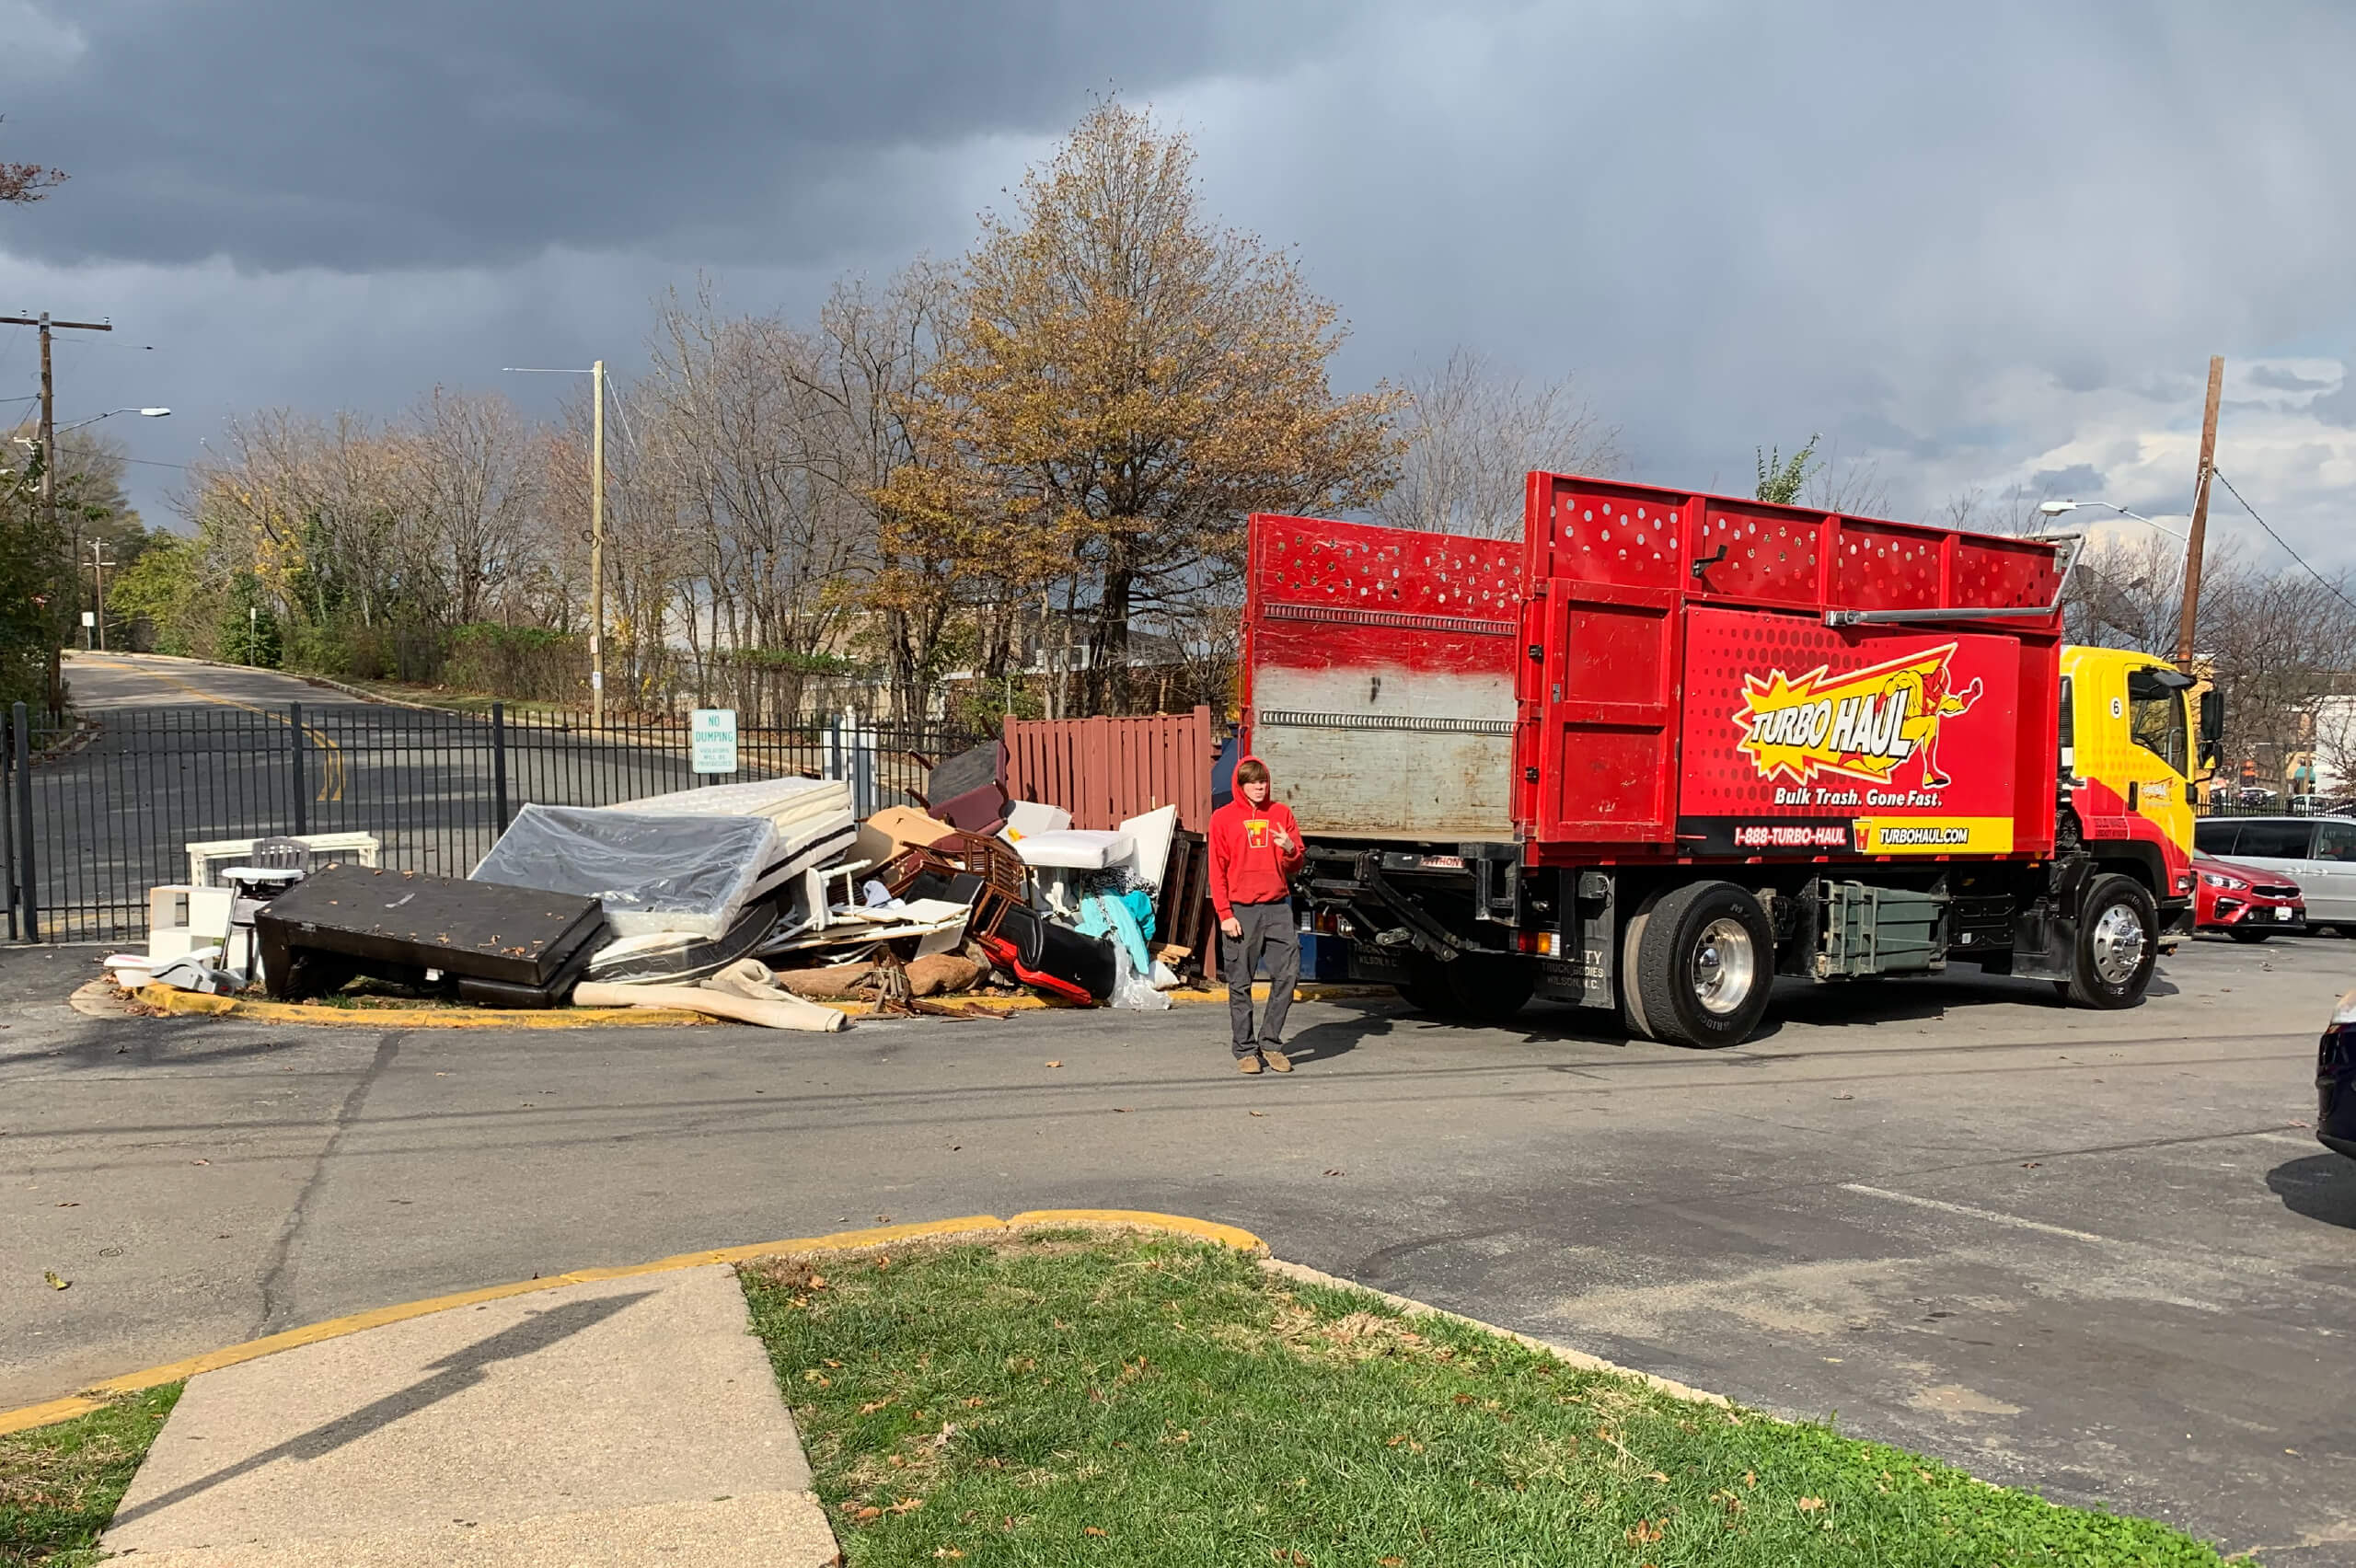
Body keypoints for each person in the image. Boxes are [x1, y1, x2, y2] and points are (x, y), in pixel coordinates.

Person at [1207, 755, 1306, 1074]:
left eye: (1263, 781)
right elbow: (1216, 870)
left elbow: (1296, 864)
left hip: (1277, 907)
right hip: (1240, 910)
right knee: (1240, 982)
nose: (1259, 787)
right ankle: (1245, 1050)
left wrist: (1290, 847)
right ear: (1240, 785)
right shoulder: (1222, 819)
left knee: (1288, 975)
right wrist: (1225, 912)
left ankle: (1271, 1043)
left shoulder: (1281, 813)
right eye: (1252, 781)